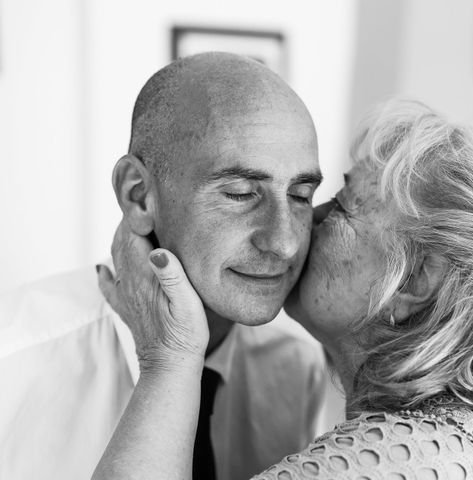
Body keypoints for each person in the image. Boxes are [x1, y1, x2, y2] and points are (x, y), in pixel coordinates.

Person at [94, 98, 473, 480]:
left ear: (415, 281)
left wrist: (168, 360)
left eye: (342, 208)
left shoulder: (397, 460)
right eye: (241, 193)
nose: (292, 237)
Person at [0, 52, 329, 480]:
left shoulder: (296, 367)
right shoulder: (14, 358)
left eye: (301, 195)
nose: (284, 243)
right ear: (139, 196)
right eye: (241, 193)